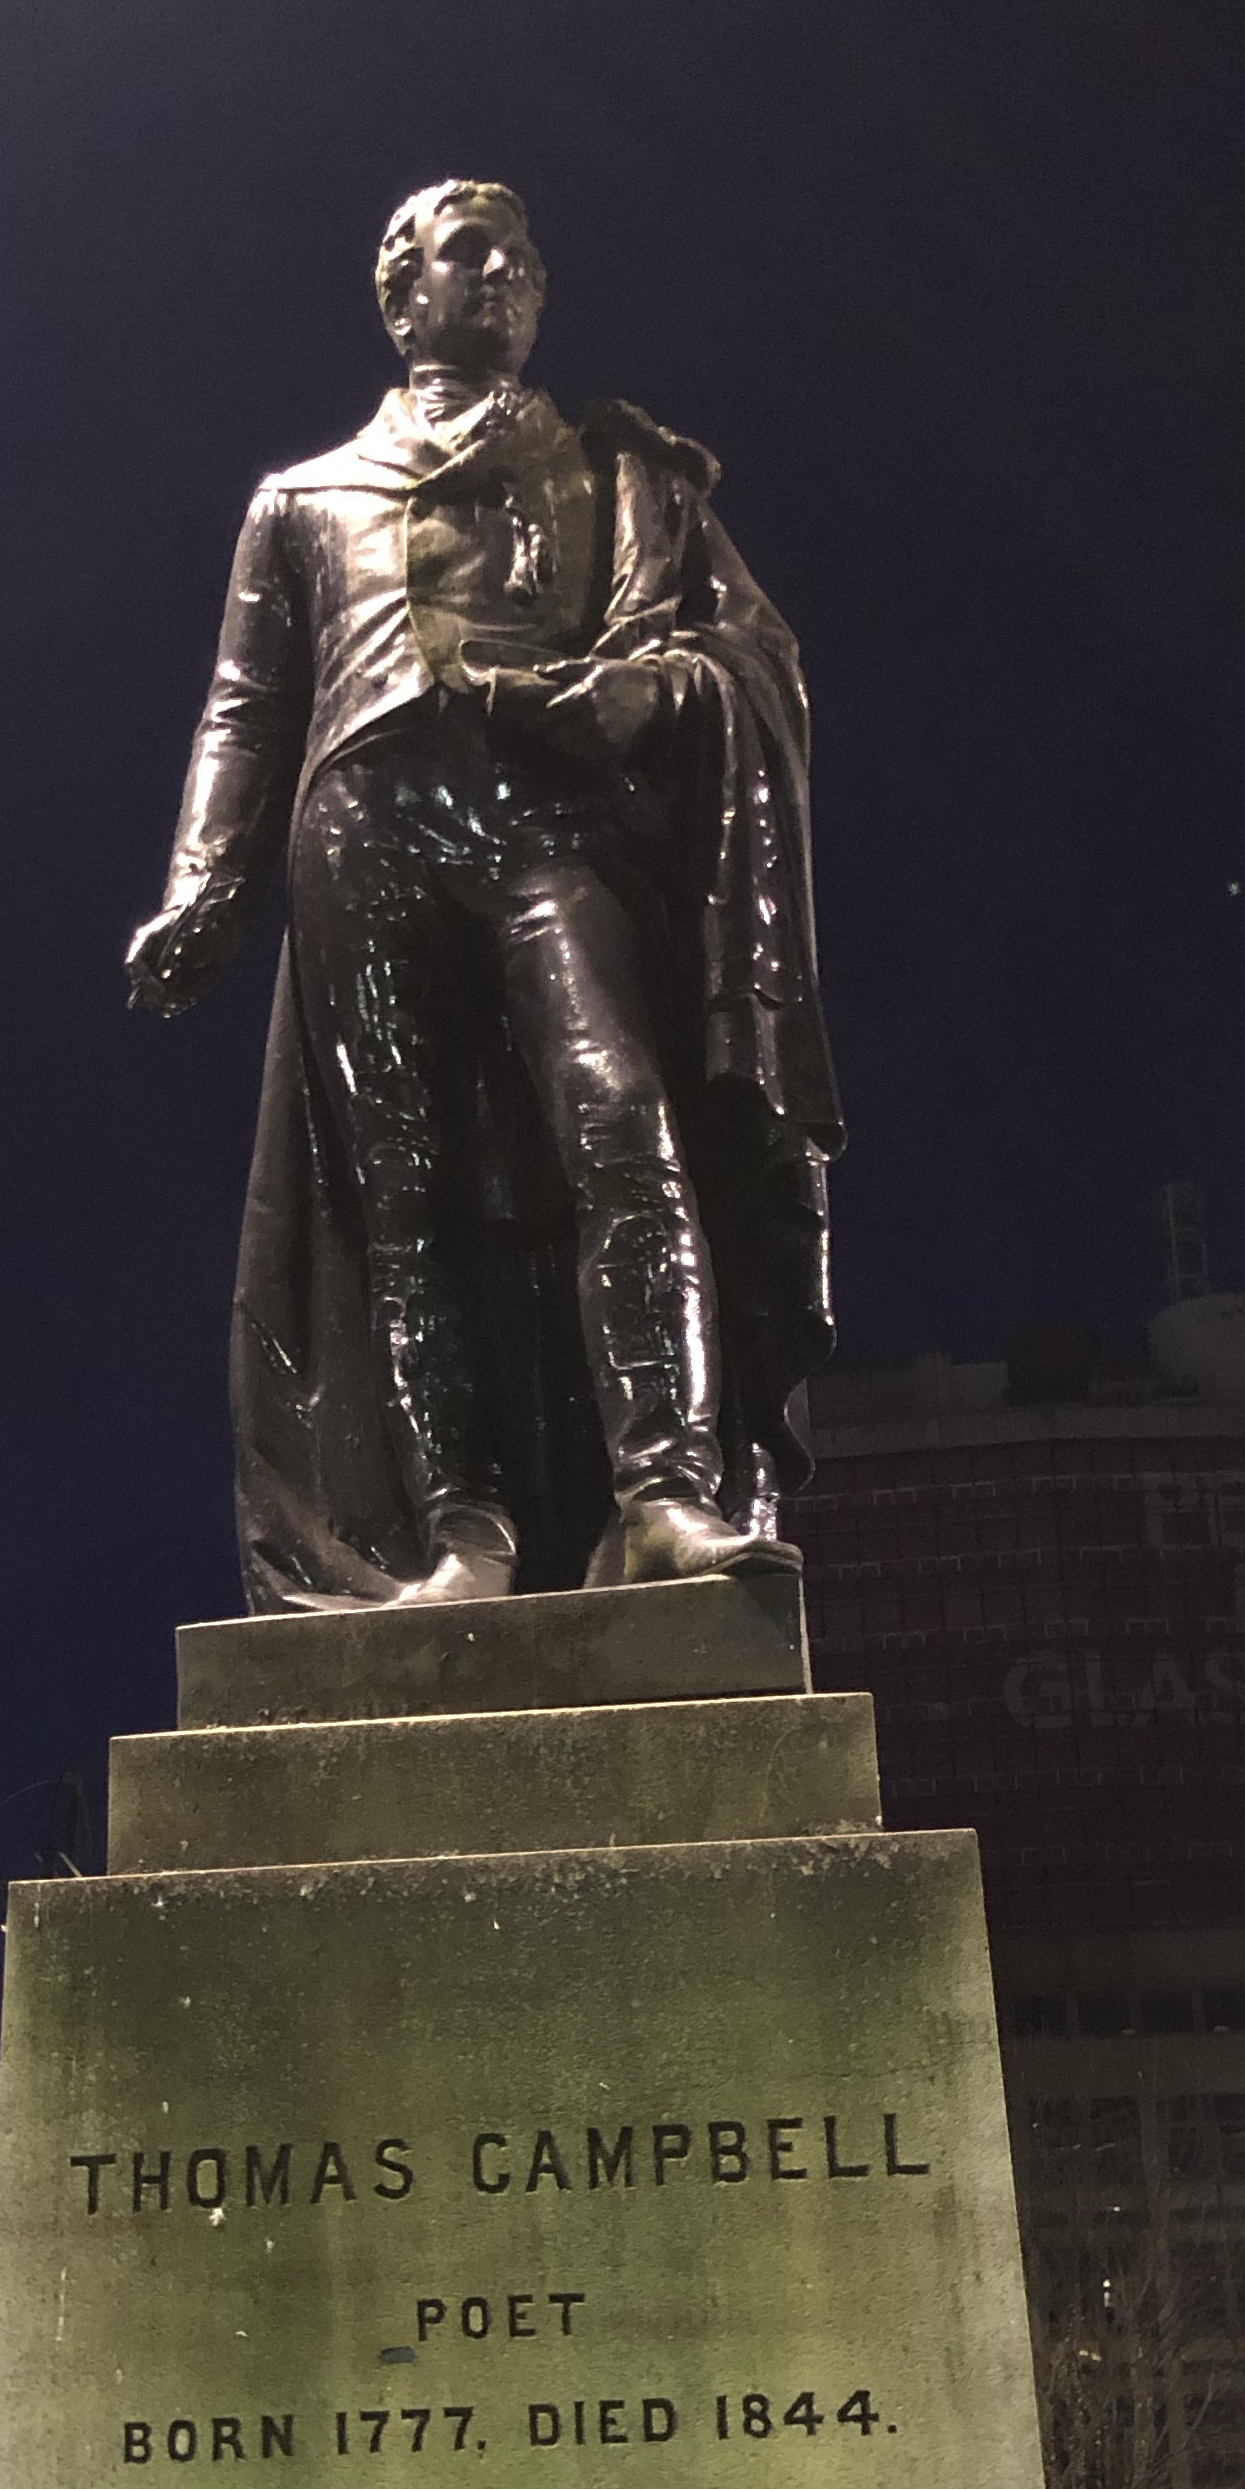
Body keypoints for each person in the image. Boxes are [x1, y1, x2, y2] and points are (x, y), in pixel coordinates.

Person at [126, 179, 842, 1609]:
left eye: (523, 257)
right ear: (402, 295)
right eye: (471, 254)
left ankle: (663, 1493)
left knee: (622, 1119)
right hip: (360, 833)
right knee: (406, 1190)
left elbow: (747, 654)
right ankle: (464, 1532)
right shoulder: (302, 500)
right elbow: (246, 709)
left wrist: (651, 693)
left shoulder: (621, 476)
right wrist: (203, 883)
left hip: (548, 824)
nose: (507, 273)